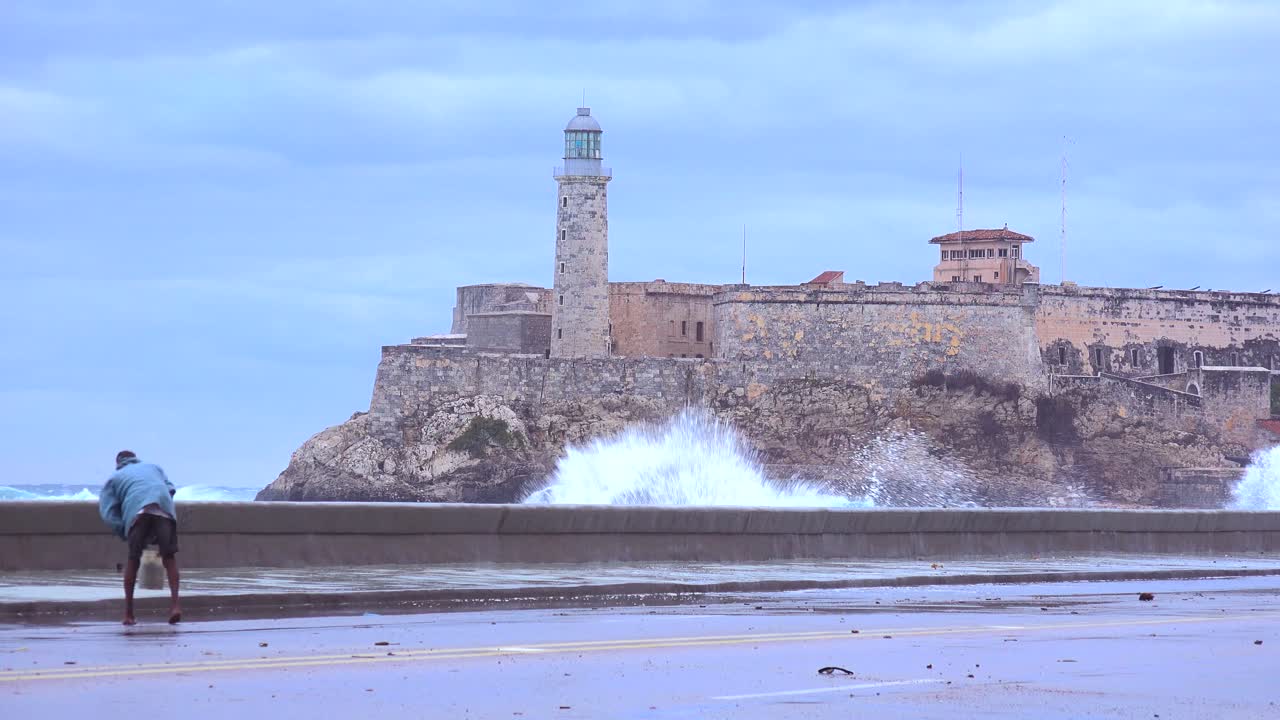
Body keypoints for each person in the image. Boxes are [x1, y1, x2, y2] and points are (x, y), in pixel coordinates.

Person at [98, 450, 181, 625]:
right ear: (135, 458)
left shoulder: (115, 477)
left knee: (133, 560)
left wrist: (124, 530)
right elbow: (171, 488)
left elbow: (107, 513)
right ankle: (175, 606)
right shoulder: (154, 468)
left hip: (138, 512)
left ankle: (129, 614)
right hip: (163, 507)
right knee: (169, 557)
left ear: (118, 462)